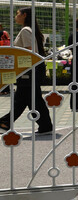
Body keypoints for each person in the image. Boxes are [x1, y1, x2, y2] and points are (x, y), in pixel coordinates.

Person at [0, 7, 53, 135]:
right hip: (31, 69)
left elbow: (29, 52)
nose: (15, 16)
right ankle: (45, 126)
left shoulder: (25, 30)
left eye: (17, 13)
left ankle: (4, 123)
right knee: (32, 99)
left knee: (23, 99)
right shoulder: (31, 30)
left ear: (24, 15)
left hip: (28, 69)